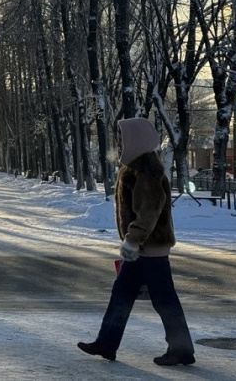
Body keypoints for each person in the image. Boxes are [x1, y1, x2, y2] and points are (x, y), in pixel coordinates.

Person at [77, 117, 195, 366]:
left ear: (137, 139)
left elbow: (149, 211)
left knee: (164, 300)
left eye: (123, 137)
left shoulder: (146, 170)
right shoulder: (136, 166)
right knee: (122, 295)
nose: (120, 142)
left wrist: (132, 240)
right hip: (141, 249)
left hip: (149, 248)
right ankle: (107, 343)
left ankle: (181, 349)